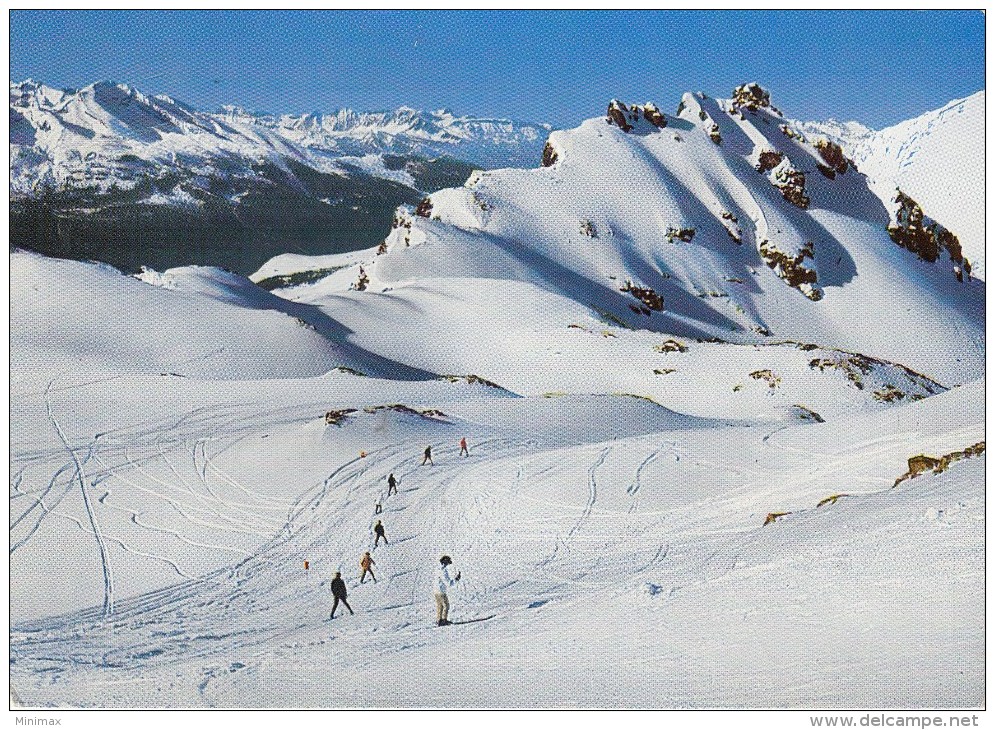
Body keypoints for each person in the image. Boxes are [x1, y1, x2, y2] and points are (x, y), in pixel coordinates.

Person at [434, 555, 461, 626]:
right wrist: (456, 579)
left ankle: (439, 620)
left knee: (440, 605)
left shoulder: (438, 569)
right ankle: (444, 620)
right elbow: (448, 583)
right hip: (441, 591)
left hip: (436, 590)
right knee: (446, 605)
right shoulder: (443, 571)